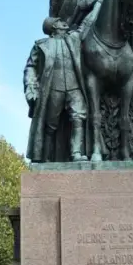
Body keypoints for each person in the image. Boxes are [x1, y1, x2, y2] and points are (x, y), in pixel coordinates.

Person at [24, 16, 91, 163]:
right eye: (60, 22)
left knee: (78, 117)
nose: (64, 23)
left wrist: (98, 0)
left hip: (75, 87)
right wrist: (30, 88)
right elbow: (30, 68)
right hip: (53, 87)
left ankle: (76, 153)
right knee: (51, 123)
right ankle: (45, 155)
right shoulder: (42, 45)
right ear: (54, 27)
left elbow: (87, 23)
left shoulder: (74, 39)